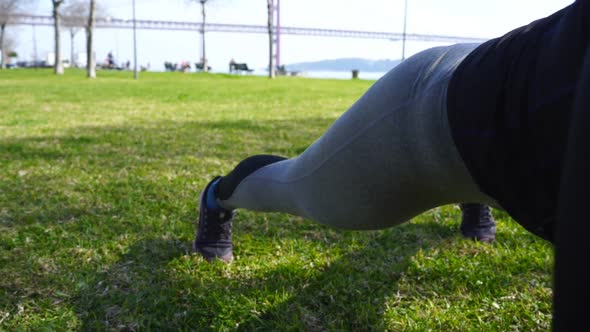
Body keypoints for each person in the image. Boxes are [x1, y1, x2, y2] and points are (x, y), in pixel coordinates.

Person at [194, 0, 588, 264]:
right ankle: (218, 197)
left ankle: (476, 195)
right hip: (428, 113)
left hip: (502, 116)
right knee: (301, 188)